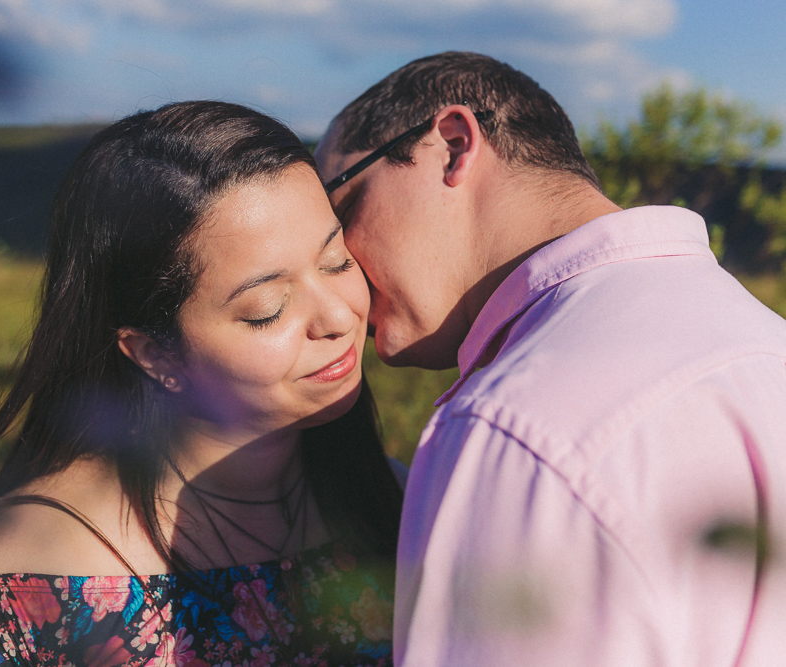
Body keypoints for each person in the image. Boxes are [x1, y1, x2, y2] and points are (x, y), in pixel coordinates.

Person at [314, 51, 786, 665]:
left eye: (340, 210)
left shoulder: (514, 426)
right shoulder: (761, 339)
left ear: (453, 146)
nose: (337, 262)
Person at [0, 101, 404, 667]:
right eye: (267, 309)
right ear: (154, 353)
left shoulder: (404, 496)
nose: (338, 317)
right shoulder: (29, 591)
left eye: (336, 261)